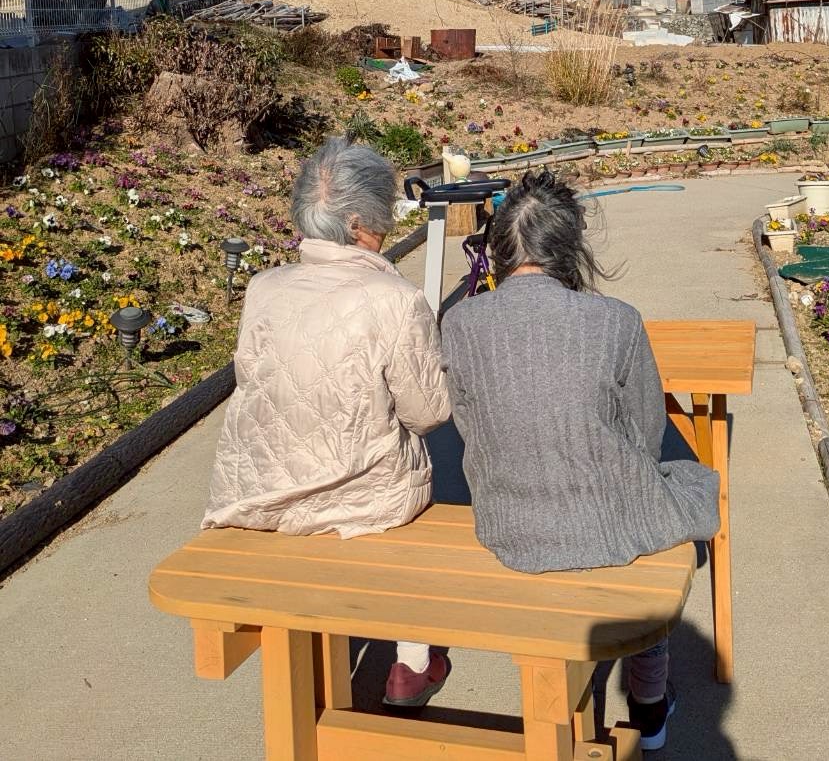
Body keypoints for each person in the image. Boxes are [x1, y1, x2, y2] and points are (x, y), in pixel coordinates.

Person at [440, 169, 719, 751]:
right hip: (604, 521)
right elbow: (645, 434)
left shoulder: (461, 322)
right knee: (675, 487)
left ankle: (646, 697)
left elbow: (470, 426)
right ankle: (648, 700)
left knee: (646, 493)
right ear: (572, 248)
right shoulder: (615, 319)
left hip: (507, 523)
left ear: (498, 252)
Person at [203, 135, 452, 709]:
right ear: (364, 221)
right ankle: (412, 663)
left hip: (258, 494)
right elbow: (429, 412)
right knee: (404, 492)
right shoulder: (395, 298)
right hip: (361, 504)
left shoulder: (262, 288)